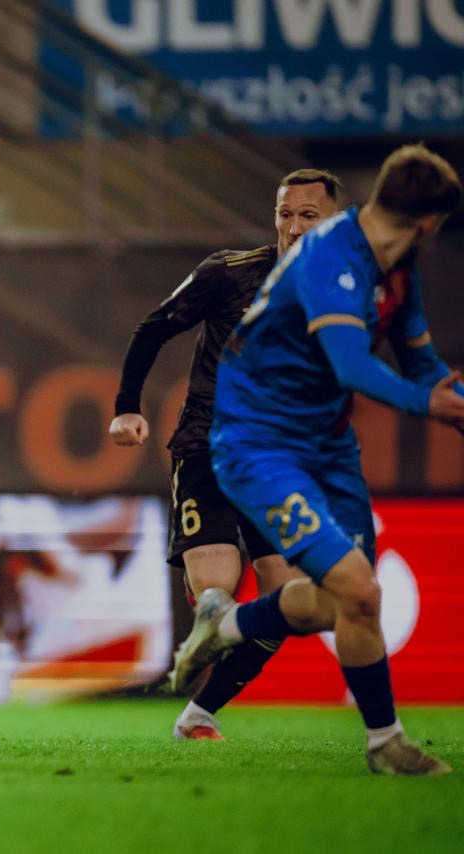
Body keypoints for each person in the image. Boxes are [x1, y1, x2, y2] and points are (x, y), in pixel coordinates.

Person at [170, 143, 464, 774]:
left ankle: (226, 627)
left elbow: (421, 361)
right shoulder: (330, 254)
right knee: (356, 585)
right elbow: (349, 363)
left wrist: (454, 402)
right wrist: (429, 404)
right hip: (258, 440)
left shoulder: (398, 268)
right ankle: (386, 744)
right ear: (429, 222)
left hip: (326, 445)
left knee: (349, 601)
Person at [109, 170, 341, 740]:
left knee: (290, 604)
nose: (293, 227)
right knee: (217, 589)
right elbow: (153, 328)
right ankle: (212, 617)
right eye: (285, 214)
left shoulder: (345, 292)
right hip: (208, 445)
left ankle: (199, 710)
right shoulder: (230, 273)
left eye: (308, 215)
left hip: (279, 462)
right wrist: (127, 407)